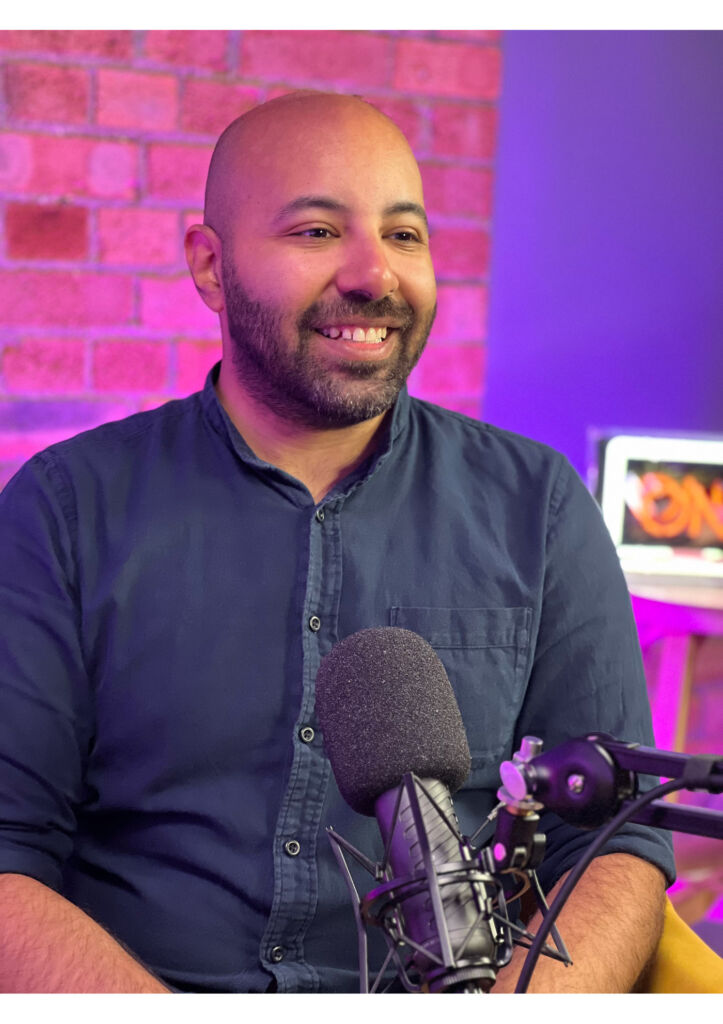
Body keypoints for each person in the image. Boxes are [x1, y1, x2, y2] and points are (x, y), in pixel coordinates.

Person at [0, 90, 674, 993]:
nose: (373, 275)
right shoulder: (64, 507)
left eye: (403, 236)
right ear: (209, 265)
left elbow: (612, 842)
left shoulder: (538, 507)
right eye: (317, 233)